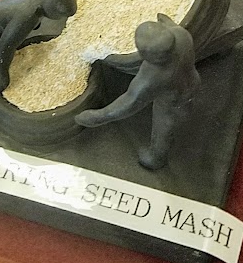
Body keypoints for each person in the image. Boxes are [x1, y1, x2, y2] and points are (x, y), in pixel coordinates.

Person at [76, 15, 200, 170]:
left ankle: (156, 157)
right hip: (192, 81)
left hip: (172, 101)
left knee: (164, 127)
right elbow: (168, 22)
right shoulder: (181, 35)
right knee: (184, 106)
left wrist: (98, 117)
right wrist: (163, 20)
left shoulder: (152, 76)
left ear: (146, 54)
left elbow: (129, 102)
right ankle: (186, 109)